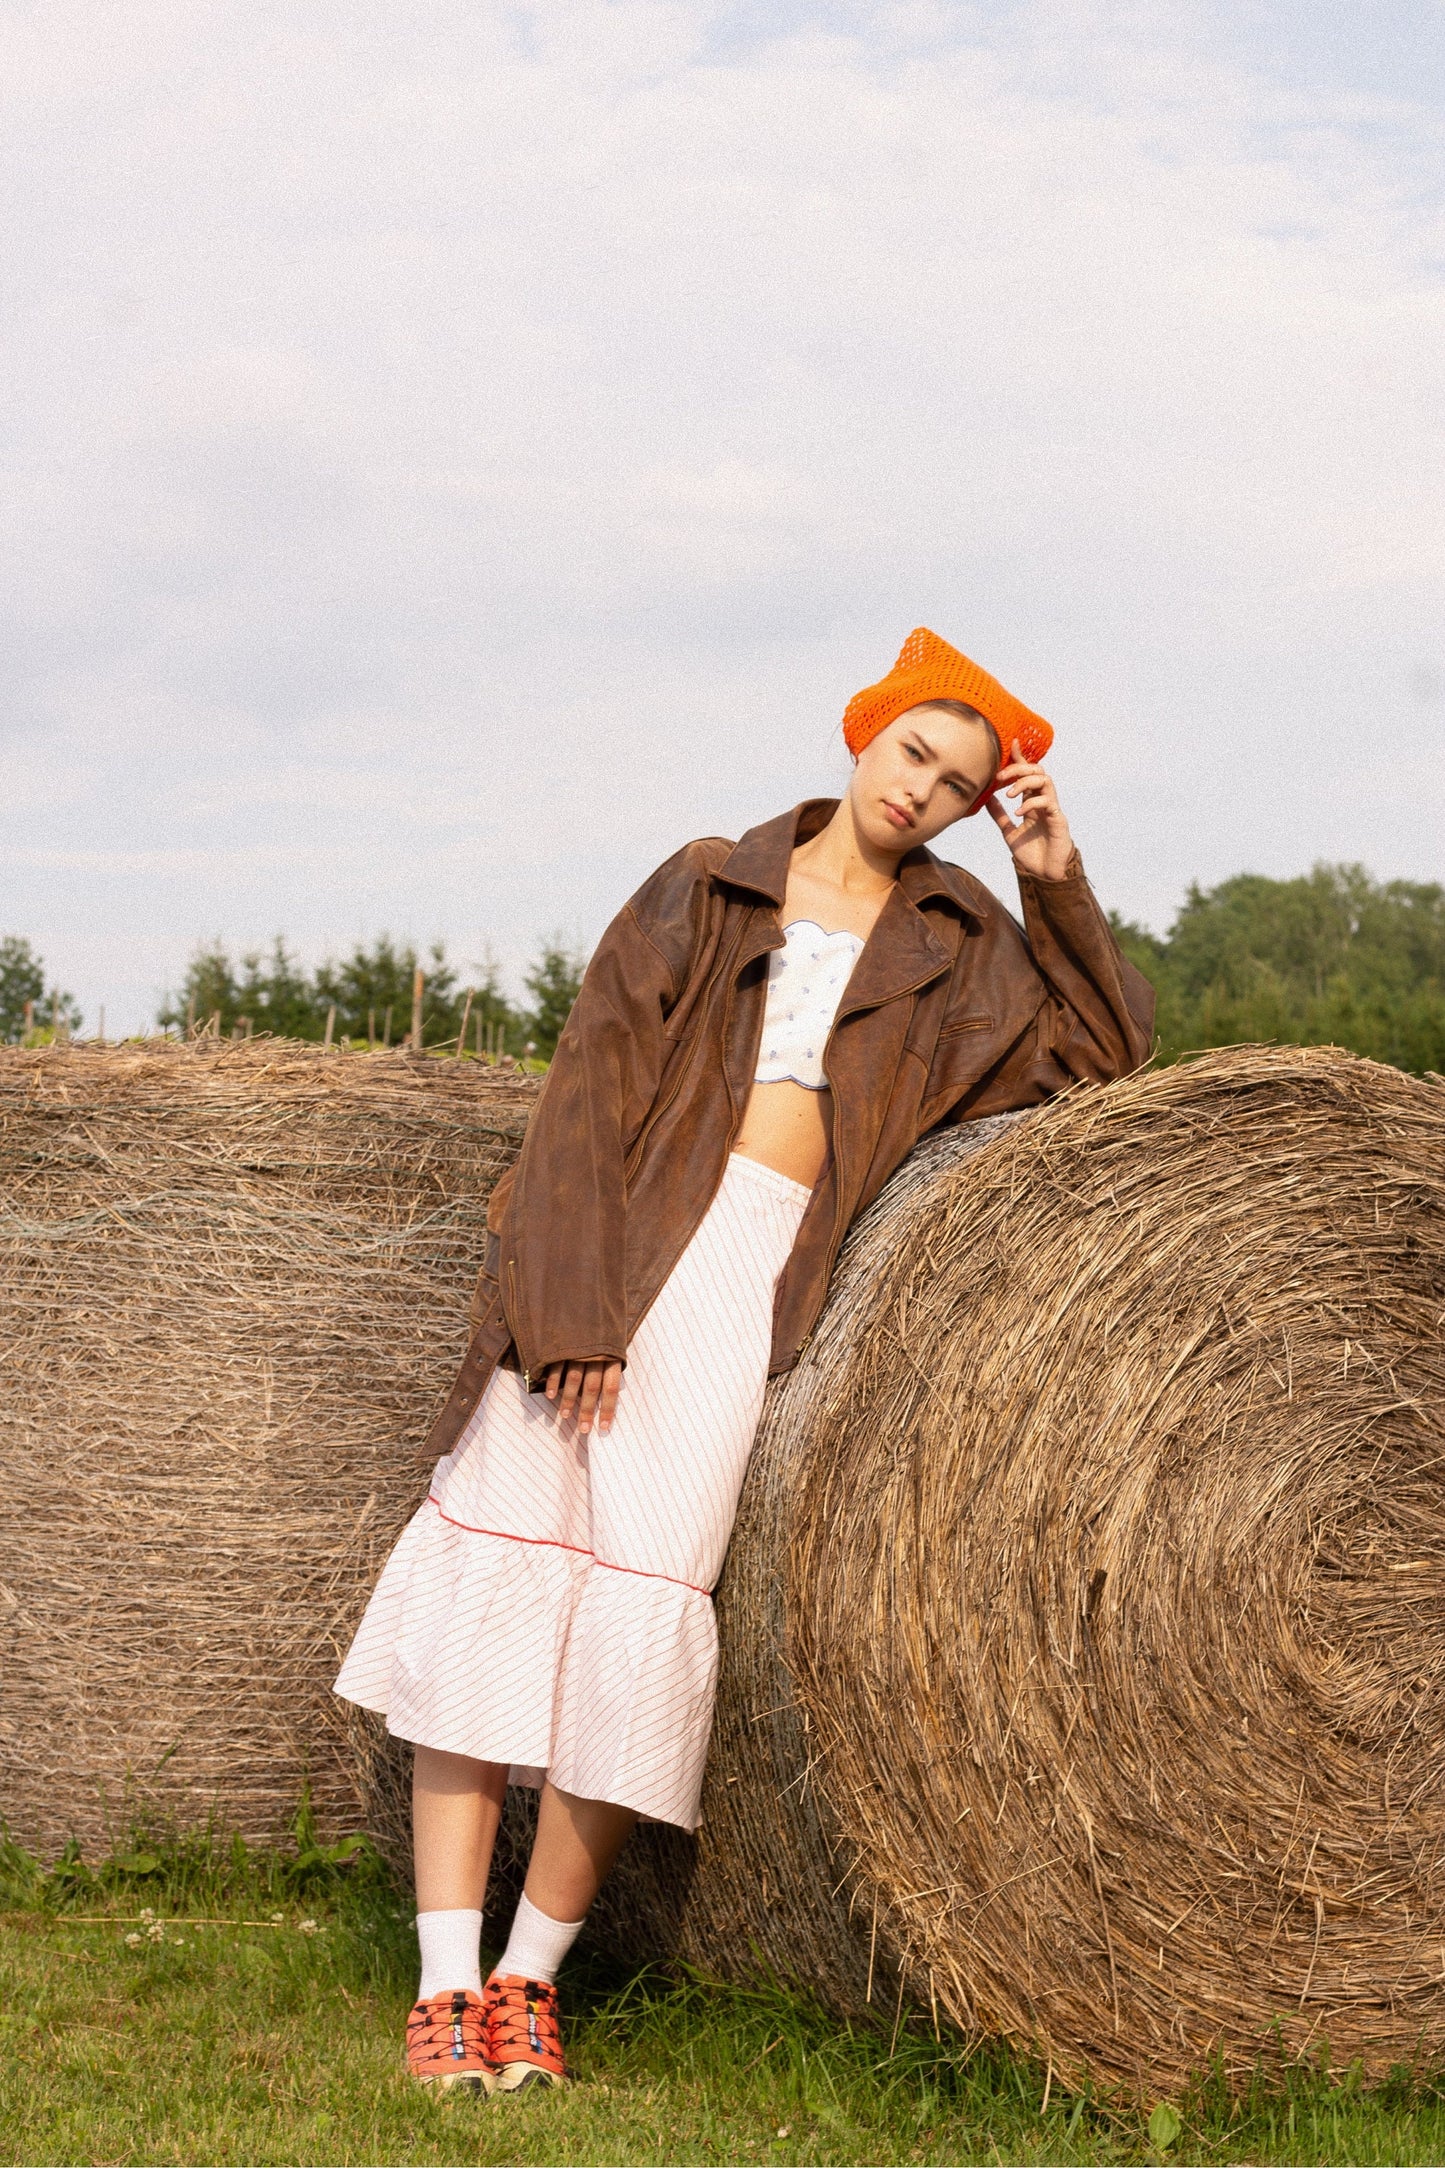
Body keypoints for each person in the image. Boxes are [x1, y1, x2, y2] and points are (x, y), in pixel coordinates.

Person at [334, 626, 1155, 2093]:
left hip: (745, 1290)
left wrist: (1052, 875)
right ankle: (443, 1986)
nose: (926, 789)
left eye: (962, 784)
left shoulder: (960, 945)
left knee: (643, 1617)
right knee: (492, 1606)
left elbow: (1103, 1063)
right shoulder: (708, 882)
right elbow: (586, 1089)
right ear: (863, 736)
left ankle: (530, 1984)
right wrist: (571, 1309)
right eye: (915, 751)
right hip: (612, 1248)